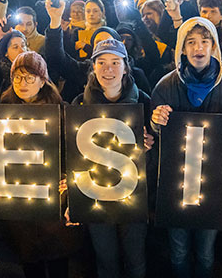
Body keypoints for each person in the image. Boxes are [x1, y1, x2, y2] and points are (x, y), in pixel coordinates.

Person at [151, 17, 222, 278]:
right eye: (191, 42)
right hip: (175, 187)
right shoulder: (165, 86)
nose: (198, 48)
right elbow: (156, 138)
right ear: (182, 49)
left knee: (206, 254)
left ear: (214, 46)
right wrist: (156, 121)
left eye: (205, 41)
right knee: (179, 251)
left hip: (215, 187)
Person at [0, 51, 84, 277]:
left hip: (54, 195)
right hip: (21, 196)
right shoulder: (2, 110)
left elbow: (73, 151)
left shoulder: (61, 111)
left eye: (29, 77)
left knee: (57, 257)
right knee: (29, 256)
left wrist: (68, 177)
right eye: (17, 77)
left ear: (43, 81)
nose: (22, 83)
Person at [71, 39, 154, 278]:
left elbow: (159, 156)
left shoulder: (144, 102)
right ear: (93, 67)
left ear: (126, 67)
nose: (108, 69)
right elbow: (73, 155)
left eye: (115, 62)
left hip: (133, 194)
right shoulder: (79, 104)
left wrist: (150, 146)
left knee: (135, 259)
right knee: (105, 259)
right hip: (96, 194)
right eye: (102, 62)